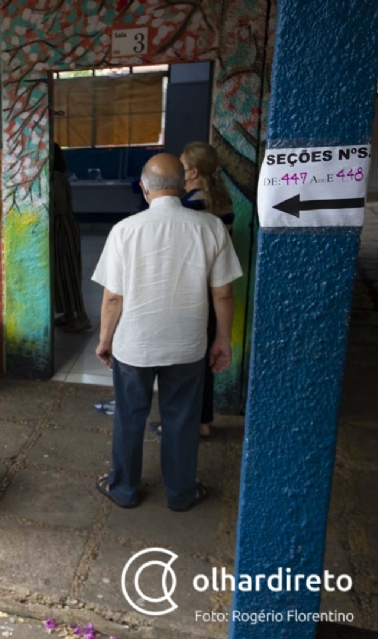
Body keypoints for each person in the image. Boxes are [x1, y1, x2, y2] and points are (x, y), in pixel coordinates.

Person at [92, 154, 242, 512]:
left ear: (144, 189)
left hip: (135, 346)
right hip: (188, 346)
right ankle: (181, 493)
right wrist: (222, 340)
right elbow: (222, 292)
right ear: (182, 184)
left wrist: (105, 340)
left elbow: (113, 297)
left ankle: (125, 488)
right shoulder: (210, 227)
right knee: (182, 419)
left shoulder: (125, 230)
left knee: (130, 417)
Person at [180, 142, 235, 438]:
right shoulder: (222, 199)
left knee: (183, 363)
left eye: (182, 164)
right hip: (215, 289)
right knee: (204, 360)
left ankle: (182, 422)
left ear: (193, 171)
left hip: (191, 293)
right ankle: (202, 420)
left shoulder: (191, 204)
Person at [51, 143, 91, 333]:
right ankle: (68, 313)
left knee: (68, 273)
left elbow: (59, 208)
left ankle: (82, 317)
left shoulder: (56, 177)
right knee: (61, 273)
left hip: (63, 229)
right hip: (61, 228)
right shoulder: (54, 176)